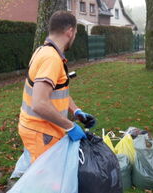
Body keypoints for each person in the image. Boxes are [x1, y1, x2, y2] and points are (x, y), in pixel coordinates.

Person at [18, 11, 96, 163]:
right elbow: (39, 104)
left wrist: (76, 111)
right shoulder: (51, 59)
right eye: (75, 33)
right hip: (41, 132)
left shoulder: (42, 51)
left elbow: (56, 92)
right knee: (47, 184)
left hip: (35, 129)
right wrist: (70, 126)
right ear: (70, 31)